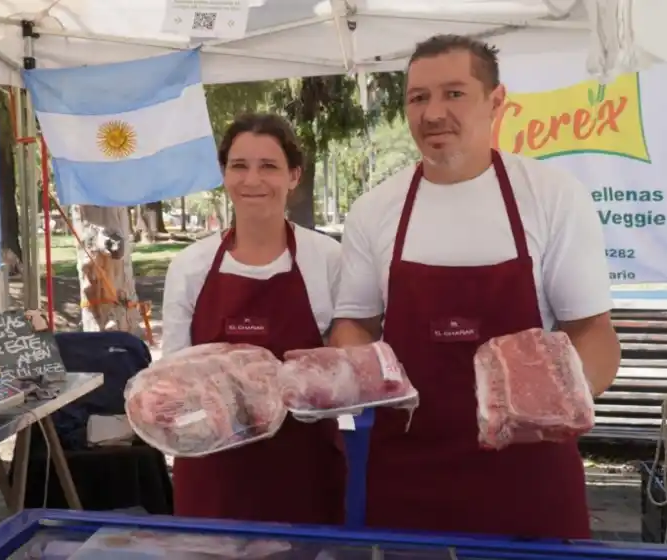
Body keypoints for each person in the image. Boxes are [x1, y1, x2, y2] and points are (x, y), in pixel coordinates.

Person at [330, 34, 620, 539]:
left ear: (497, 102)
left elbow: (593, 332)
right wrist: (357, 377)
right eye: (418, 97)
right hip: (407, 473)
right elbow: (354, 322)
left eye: (454, 93)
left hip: (531, 476)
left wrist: (549, 402)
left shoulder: (552, 197)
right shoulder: (374, 210)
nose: (433, 112)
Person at [161, 113, 347, 524]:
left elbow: (345, 365)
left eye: (269, 166)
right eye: (239, 166)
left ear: (294, 176)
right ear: (224, 175)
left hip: (303, 467)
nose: (252, 180)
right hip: (213, 469)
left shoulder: (327, 259)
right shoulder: (191, 266)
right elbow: (173, 376)